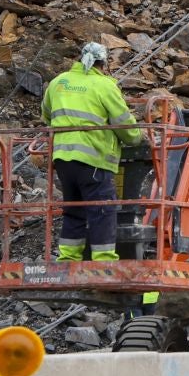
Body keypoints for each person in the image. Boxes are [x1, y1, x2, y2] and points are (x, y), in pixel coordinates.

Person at [41, 41, 143, 263]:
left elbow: (46, 115)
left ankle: (68, 259)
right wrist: (137, 138)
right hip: (93, 159)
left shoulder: (58, 83)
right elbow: (124, 124)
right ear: (103, 63)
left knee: (73, 209)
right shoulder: (104, 86)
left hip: (63, 161)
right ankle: (104, 260)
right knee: (102, 210)